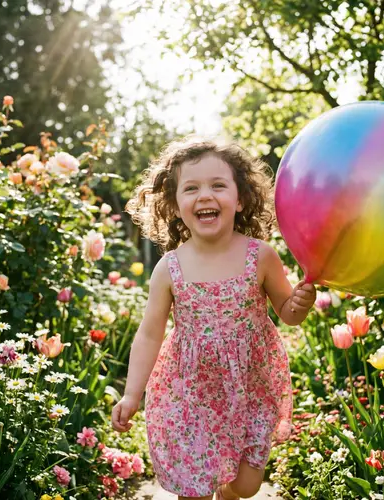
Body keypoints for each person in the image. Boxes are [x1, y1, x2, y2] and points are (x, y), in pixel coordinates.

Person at [112, 137, 316, 500]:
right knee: (195, 489)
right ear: (175, 206)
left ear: (240, 200)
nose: (205, 195)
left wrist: (300, 301)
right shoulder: (169, 268)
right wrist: (131, 394)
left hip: (248, 387)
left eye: (218, 185)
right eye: (191, 188)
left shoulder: (261, 257)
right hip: (189, 393)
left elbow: (289, 313)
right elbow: (149, 334)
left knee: (246, 485)